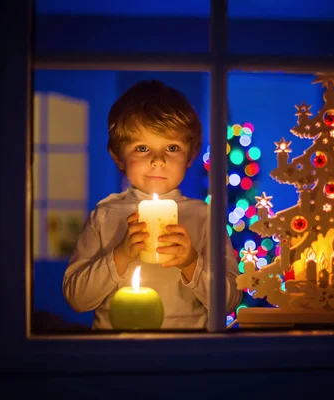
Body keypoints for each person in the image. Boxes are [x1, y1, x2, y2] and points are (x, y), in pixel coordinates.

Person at [62, 80, 242, 330]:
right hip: (114, 351)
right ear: (118, 157)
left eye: (172, 147)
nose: (158, 160)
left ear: (190, 155)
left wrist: (191, 262)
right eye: (142, 148)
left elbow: (230, 300)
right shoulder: (105, 215)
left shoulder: (204, 217)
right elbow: (77, 298)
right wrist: (120, 255)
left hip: (185, 351)